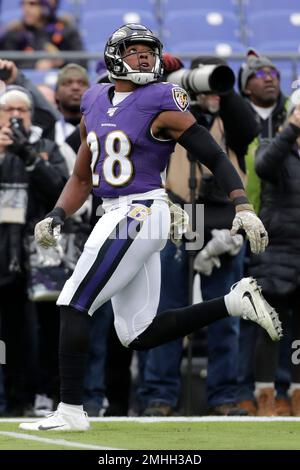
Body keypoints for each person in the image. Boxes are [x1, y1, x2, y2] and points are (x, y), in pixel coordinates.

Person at [19, 24, 281, 431]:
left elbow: (211, 151)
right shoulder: (93, 100)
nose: (143, 57)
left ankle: (71, 410)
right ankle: (233, 303)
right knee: (136, 333)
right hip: (116, 211)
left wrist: (242, 205)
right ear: (113, 56)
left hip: (140, 211)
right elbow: (83, 177)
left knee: (73, 301)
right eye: (134, 50)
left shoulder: (161, 98)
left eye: (149, 51)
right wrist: (56, 214)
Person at [0, 0, 86, 70]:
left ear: (45, 5)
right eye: (23, 4)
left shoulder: (66, 30)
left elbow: (83, 62)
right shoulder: (14, 32)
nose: (26, 9)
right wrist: (35, 65)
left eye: (32, 4)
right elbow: (7, 65)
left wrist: (61, 61)